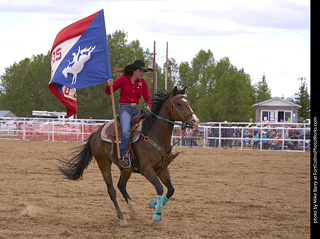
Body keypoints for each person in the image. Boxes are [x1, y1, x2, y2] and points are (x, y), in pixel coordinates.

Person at [105, 60, 152, 167]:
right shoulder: (123, 79)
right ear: (134, 71)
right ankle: (122, 157)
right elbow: (109, 92)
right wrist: (109, 85)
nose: (141, 73)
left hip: (136, 110)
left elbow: (148, 98)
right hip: (124, 109)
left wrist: (148, 104)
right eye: (140, 71)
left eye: (143, 71)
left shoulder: (143, 83)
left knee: (148, 128)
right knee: (126, 132)